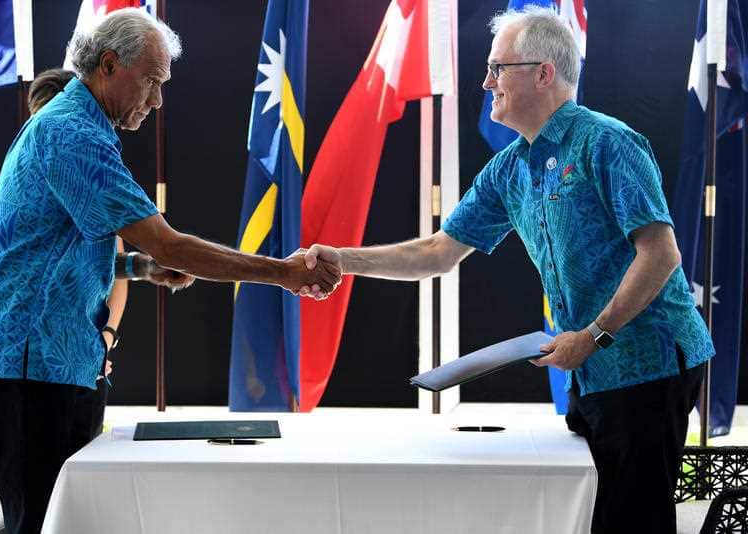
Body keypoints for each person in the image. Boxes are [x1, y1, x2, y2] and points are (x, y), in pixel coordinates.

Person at [300, 6, 714, 534]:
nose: (486, 80)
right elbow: (438, 251)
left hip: (648, 362)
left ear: (543, 73)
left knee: (634, 519)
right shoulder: (509, 167)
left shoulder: (608, 143)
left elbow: (661, 254)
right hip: (591, 362)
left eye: (499, 67)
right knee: (596, 506)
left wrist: (593, 335)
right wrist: (343, 258)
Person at [0, 8, 338, 534]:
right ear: (110, 65)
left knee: (68, 521)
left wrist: (139, 267)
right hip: (30, 366)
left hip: (57, 360)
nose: (158, 101)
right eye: (153, 82)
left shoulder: (79, 126)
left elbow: (51, 251)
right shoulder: (72, 135)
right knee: (41, 524)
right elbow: (171, 243)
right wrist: (283, 273)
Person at [0, 68, 119, 440]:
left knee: (78, 485)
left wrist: (105, 337)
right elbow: (15, 264)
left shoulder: (88, 164)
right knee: (35, 493)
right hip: (23, 360)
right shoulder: (23, 171)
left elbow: (111, 260)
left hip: (81, 358)